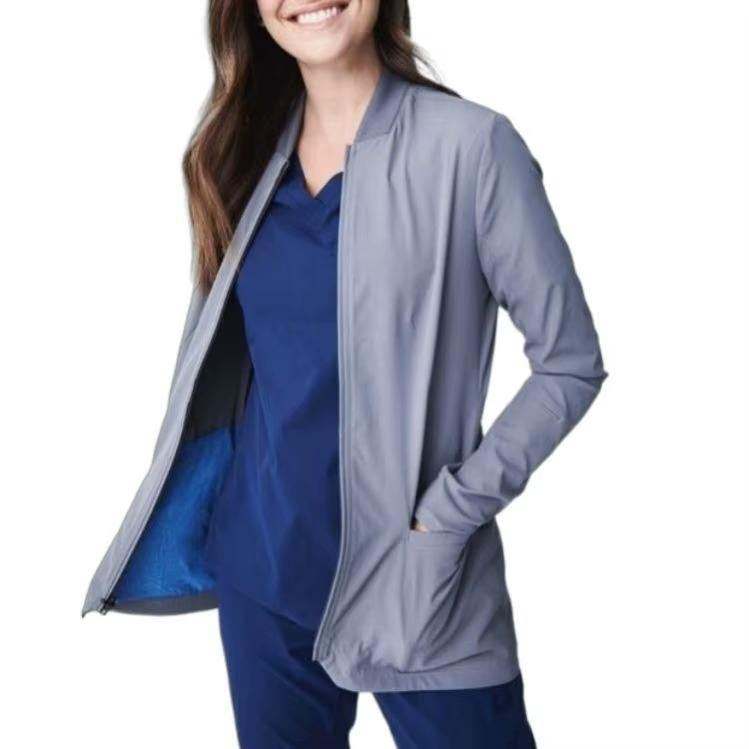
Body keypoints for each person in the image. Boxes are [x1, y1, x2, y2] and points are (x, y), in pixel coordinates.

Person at [83, 1, 608, 746]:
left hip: (419, 578)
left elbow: (569, 362)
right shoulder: (240, 157)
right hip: (264, 571)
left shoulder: (470, 148)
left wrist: (447, 512)